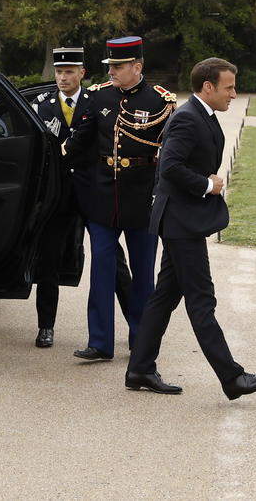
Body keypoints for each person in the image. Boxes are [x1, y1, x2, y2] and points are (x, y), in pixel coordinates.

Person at [125, 58, 256, 399]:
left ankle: (139, 369)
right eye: (229, 87)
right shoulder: (188, 119)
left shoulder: (201, 115)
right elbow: (170, 167)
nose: (233, 94)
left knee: (164, 297)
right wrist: (208, 186)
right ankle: (232, 378)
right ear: (208, 87)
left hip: (182, 221)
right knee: (201, 300)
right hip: (181, 223)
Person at [64, 36, 176, 361]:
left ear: (137, 67)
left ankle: (142, 339)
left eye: (118, 66)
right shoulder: (98, 96)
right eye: (110, 65)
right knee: (101, 269)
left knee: (143, 274)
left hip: (142, 198)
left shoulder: (161, 102)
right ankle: (100, 342)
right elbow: (80, 143)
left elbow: (168, 155)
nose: (112, 71)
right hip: (102, 197)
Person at [32, 47, 133, 348]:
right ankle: (45, 326)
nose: (62, 77)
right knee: (48, 259)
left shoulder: (97, 101)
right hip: (58, 195)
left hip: (93, 193)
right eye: (59, 72)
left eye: (69, 72)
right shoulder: (41, 104)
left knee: (113, 260)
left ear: (81, 74)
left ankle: (137, 328)